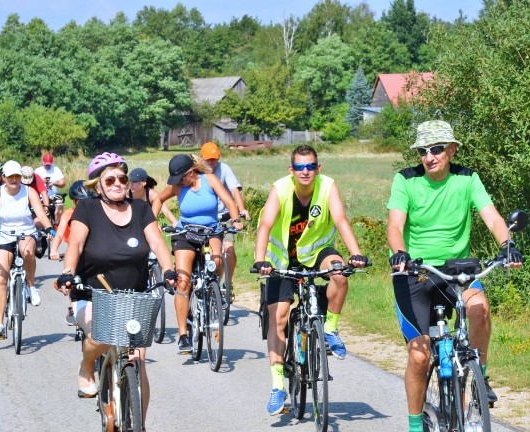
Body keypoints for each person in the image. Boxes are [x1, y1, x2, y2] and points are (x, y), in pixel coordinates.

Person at [386, 120, 523, 432]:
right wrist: (400, 253)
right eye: (422, 151)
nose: (428, 157)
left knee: (479, 309)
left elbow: (491, 217)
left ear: (451, 150)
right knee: (420, 355)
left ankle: (480, 379)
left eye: (435, 149)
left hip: (455, 271)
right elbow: (395, 225)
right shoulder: (406, 179)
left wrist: (507, 244)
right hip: (415, 273)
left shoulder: (467, 178)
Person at [55, 152, 177, 432]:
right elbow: (76, 245)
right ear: (98, 185)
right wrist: (69, 273)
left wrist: (171, 269)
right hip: (91, 293)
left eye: (123, 178)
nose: (118, 183)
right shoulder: (87, 208)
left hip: (133, 296)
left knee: (139, 361)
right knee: (100, 334)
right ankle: (87, 368)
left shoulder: (141, 209)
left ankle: (142, 429)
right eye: (110, 179)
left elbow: (159, 243)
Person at [253, 145, 368, 416]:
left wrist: (356, 253)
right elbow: (265, 225)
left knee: (340, 274)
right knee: (278, 318)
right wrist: (261, 260)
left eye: (311, 166)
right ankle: (278, 385)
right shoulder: (280, 189)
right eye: (300, 167)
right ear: (291, 170)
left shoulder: (327, 187)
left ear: (319, 168)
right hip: (282, 260)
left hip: (317, 252)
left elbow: (339, 219)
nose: (306, 172)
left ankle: (330, 329)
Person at [151, 154, 243, 354]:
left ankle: (212, 290)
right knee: (183, 280)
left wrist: (236, 220)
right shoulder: (177, 187)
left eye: (181, 178)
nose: (179, 182)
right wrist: (152, 224)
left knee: (218, 261)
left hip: (211, 230)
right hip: (186, 233)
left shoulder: (209, 180)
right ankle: (183, 334)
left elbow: (229, 202)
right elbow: (158, 199)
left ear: (191, 173)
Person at [0, 160, 53, 339]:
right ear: (4, 178)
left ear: (21, 177)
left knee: (27, 252)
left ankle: (31, 287)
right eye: (10, 176)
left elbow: (40, 213)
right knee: (0, 278)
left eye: (17, 176)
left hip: (25, 231)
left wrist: (49, 228)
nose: (14, 180)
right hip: (3, 234)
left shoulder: (29, 191)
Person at [201, 142, 250, 296]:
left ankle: (227, 285)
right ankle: (211, 280)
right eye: (208, 159)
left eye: (214, 159)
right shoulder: (197, 173)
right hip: (206, 219)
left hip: (225, 217)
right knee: (210, 255)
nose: (211, 163)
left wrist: (241, 209)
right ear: (202, 159)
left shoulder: (224, 169)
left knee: (229, 250)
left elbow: (234, 190)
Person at [49, 180, 91, 325]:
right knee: (70, 276)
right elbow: (59, 234)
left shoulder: (97, 212)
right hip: (74, 250)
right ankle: (72, 305)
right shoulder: (69, 213)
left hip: (92, 251)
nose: (84, 204)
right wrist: (54, 249)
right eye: (80, 201)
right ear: (74, 201)